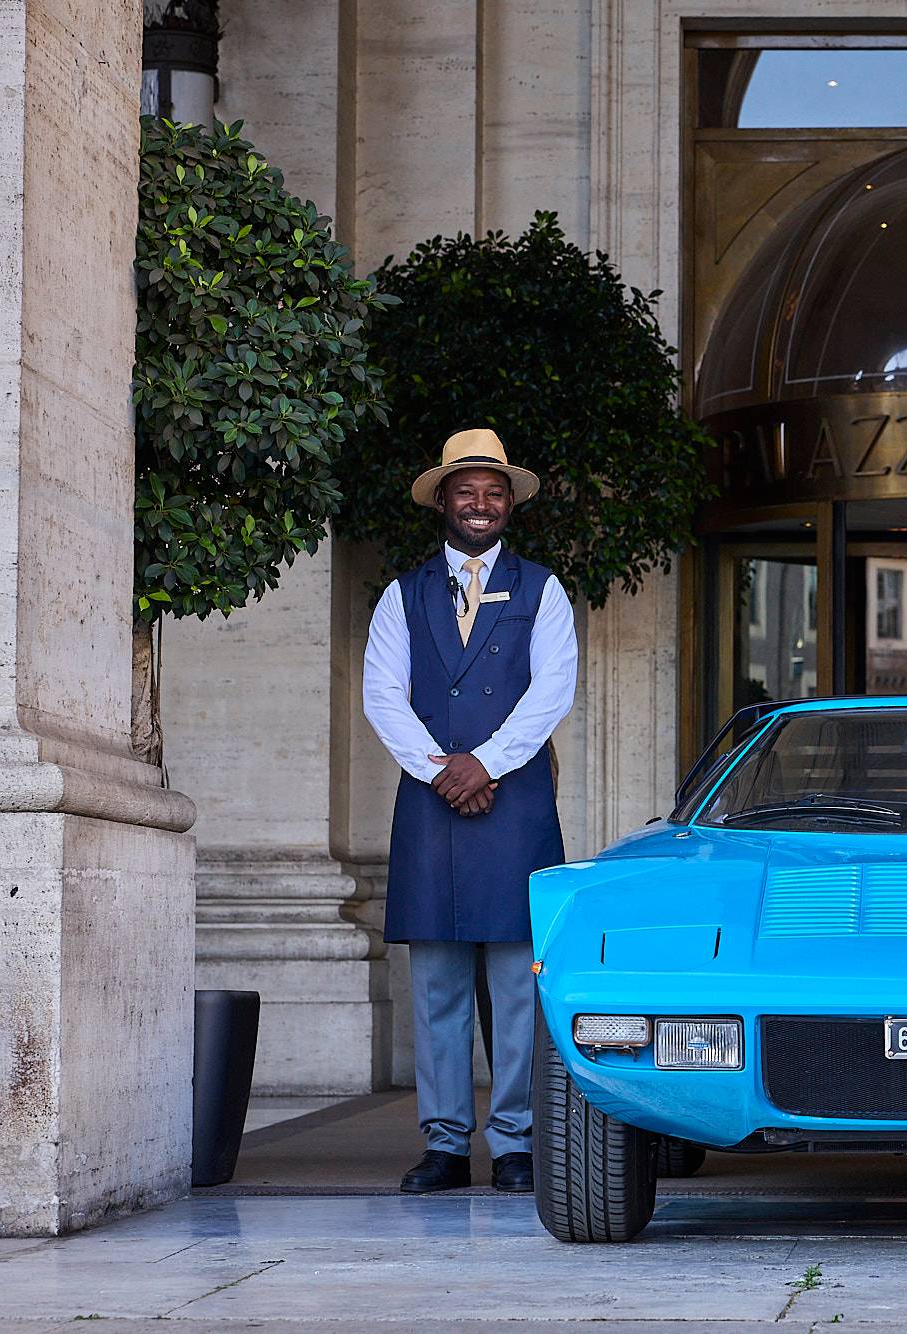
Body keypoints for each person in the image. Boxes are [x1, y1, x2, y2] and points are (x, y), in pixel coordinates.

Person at [362, 428, 577, 1194]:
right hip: (430, 803)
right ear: (443, 501)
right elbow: (382, 696)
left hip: (512, 800)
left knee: (519, 987)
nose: (480, 504)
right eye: (466, 490)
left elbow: (552, 692)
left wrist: (483, 764)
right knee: (438, 988)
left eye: (494, 491)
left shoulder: (543, 590)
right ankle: (446, 1145)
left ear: (510, 503)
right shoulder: (402, 594)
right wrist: (441, 770)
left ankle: (515, 1143)